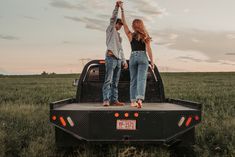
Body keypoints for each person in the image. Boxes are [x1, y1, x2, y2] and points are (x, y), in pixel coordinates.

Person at [119, 1, 154, 108]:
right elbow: (149, 49)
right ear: (141, 25)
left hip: (133, 57)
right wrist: (152, 62)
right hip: (143, 57)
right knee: (141, 79)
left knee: (133, 80)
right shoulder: (145, 36)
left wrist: (122, 10)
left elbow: (124, 24)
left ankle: (133, 101)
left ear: (133, 26)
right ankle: (139, 99)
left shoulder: (130, 35)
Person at [102, 1, 128, 107]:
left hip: (118, 60)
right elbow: (112, 18)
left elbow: (121, 49)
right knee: (108, 80)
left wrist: (124, 61)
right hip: (110, 58)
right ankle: (106, 100)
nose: (120, 27)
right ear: (116, 24)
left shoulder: (119, 37)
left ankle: (114, 100)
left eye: (121, 25)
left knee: (115, 82)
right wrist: (117, 7)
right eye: (119, 25)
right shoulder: (110, 30)